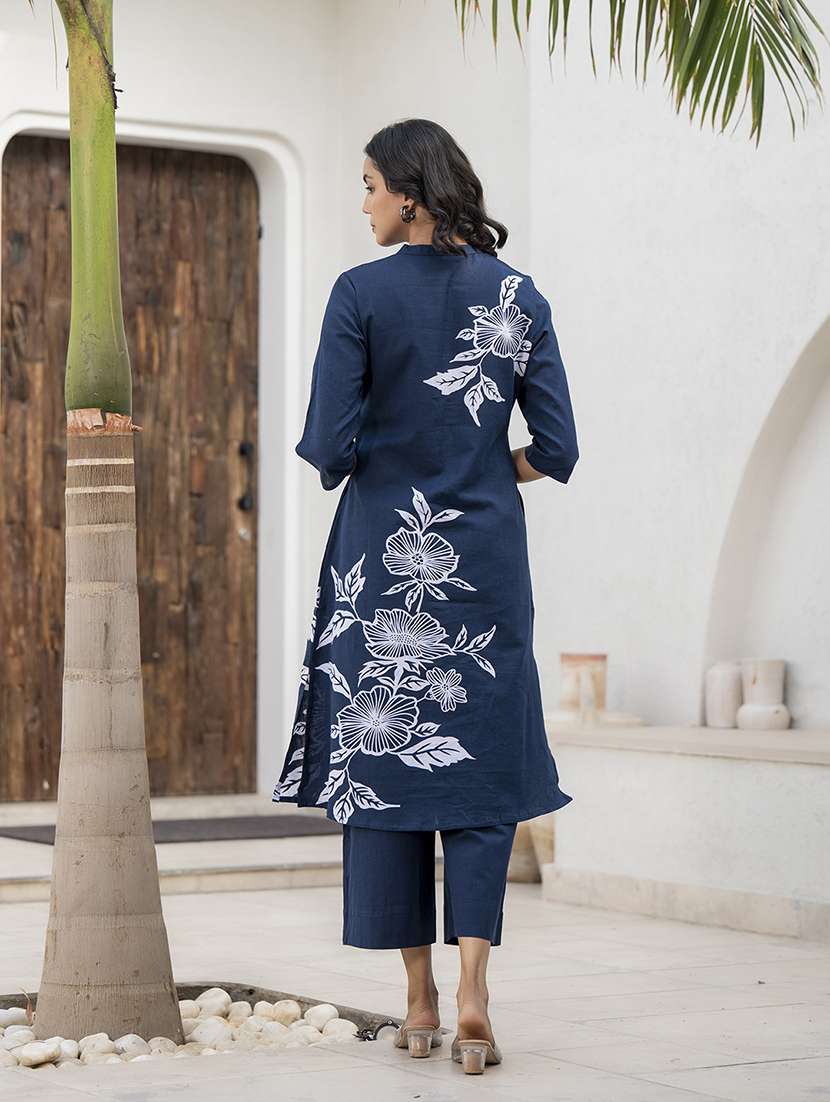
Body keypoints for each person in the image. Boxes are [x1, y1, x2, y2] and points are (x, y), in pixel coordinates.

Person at [272, 118, 579, 1075]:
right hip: (484, 566)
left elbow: (328, 445)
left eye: (369, 184)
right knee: (480, 766)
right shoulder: (518, 296)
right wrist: (485, 469)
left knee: (387, 761)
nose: (361, 202)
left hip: (384, 564)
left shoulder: (359, 294)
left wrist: (383, 452)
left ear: (408, 194)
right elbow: (558, 449)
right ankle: (477, 995)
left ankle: (419, 999)